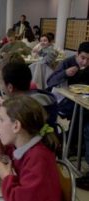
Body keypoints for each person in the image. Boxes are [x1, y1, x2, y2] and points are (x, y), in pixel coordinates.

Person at [0, 62, 57, 137]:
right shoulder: (37, 97)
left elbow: (12, 139)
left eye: (1, 82)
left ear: (10, 87)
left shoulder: (26, 108)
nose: (1, 87)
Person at [47, 41, 89, 190]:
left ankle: (75, 144)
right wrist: (65, 73)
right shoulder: (67, 63)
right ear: (77, 54)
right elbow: (49, 81)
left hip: (82, 102)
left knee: (84, 116)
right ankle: (74, 144)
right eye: (83, 58)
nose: (85, 62)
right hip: (64, 101)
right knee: (84, 118)